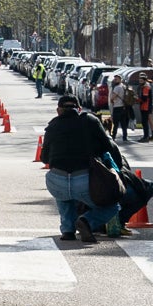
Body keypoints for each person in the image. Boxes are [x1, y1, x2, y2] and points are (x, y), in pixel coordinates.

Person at [40, 95, 118, 243]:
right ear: (79, 109)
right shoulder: (90, 121)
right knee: (112, 207)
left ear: (58, 110)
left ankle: (68, 230)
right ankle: (86, 221)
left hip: (56, 180)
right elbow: (108, 147)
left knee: (64, 197)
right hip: (83, 179)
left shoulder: (53, 126)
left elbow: (44, 158)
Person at [110, 73, 134, 144]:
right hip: (124, 107)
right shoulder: (124, 86)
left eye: (116, 79)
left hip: (117, 107)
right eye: (114, 79)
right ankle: (125, 137)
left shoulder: (117, 87)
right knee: (124, 124)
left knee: (115, 124)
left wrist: (111, 100)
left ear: (120, 79)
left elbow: (112, 97)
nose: (115, 80)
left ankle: (113, 137)